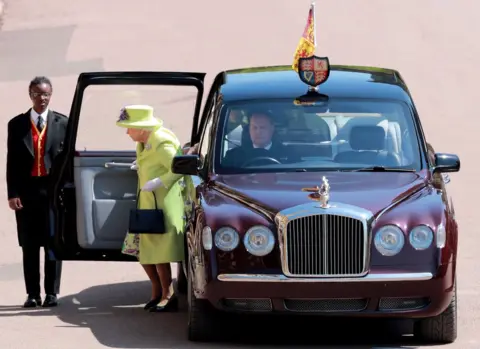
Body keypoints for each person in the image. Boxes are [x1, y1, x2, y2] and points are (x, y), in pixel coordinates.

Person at [116, 104, 186, 312]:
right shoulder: (144, 142)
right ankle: (157, 290)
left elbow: (179, 169)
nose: (127, 132)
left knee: (159, 253)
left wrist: (160, 181)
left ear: (142, 128)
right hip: (147, 205)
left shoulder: (161, 141)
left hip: (162, 206)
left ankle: (167, 294)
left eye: (130, 127)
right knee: (143, 251)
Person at [6, 76, 67, 308]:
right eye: (37, 94)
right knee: (29, 245)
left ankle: (52, 292)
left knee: (53, 243)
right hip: (27, 192)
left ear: (51, 95)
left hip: (52, 193)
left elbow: (66, 162)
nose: (42, 98)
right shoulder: (17, 124)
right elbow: (11, 161)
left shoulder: (62, 123)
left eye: (46, 94)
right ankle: (33, 294)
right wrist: (13, 193)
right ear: (30, 95)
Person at [223, 111, 295, 167]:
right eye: (254, 127)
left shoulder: (289, 155)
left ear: (272, 129)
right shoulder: (233, 157)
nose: (258, 132)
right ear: (249, 130)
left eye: (262, 127)